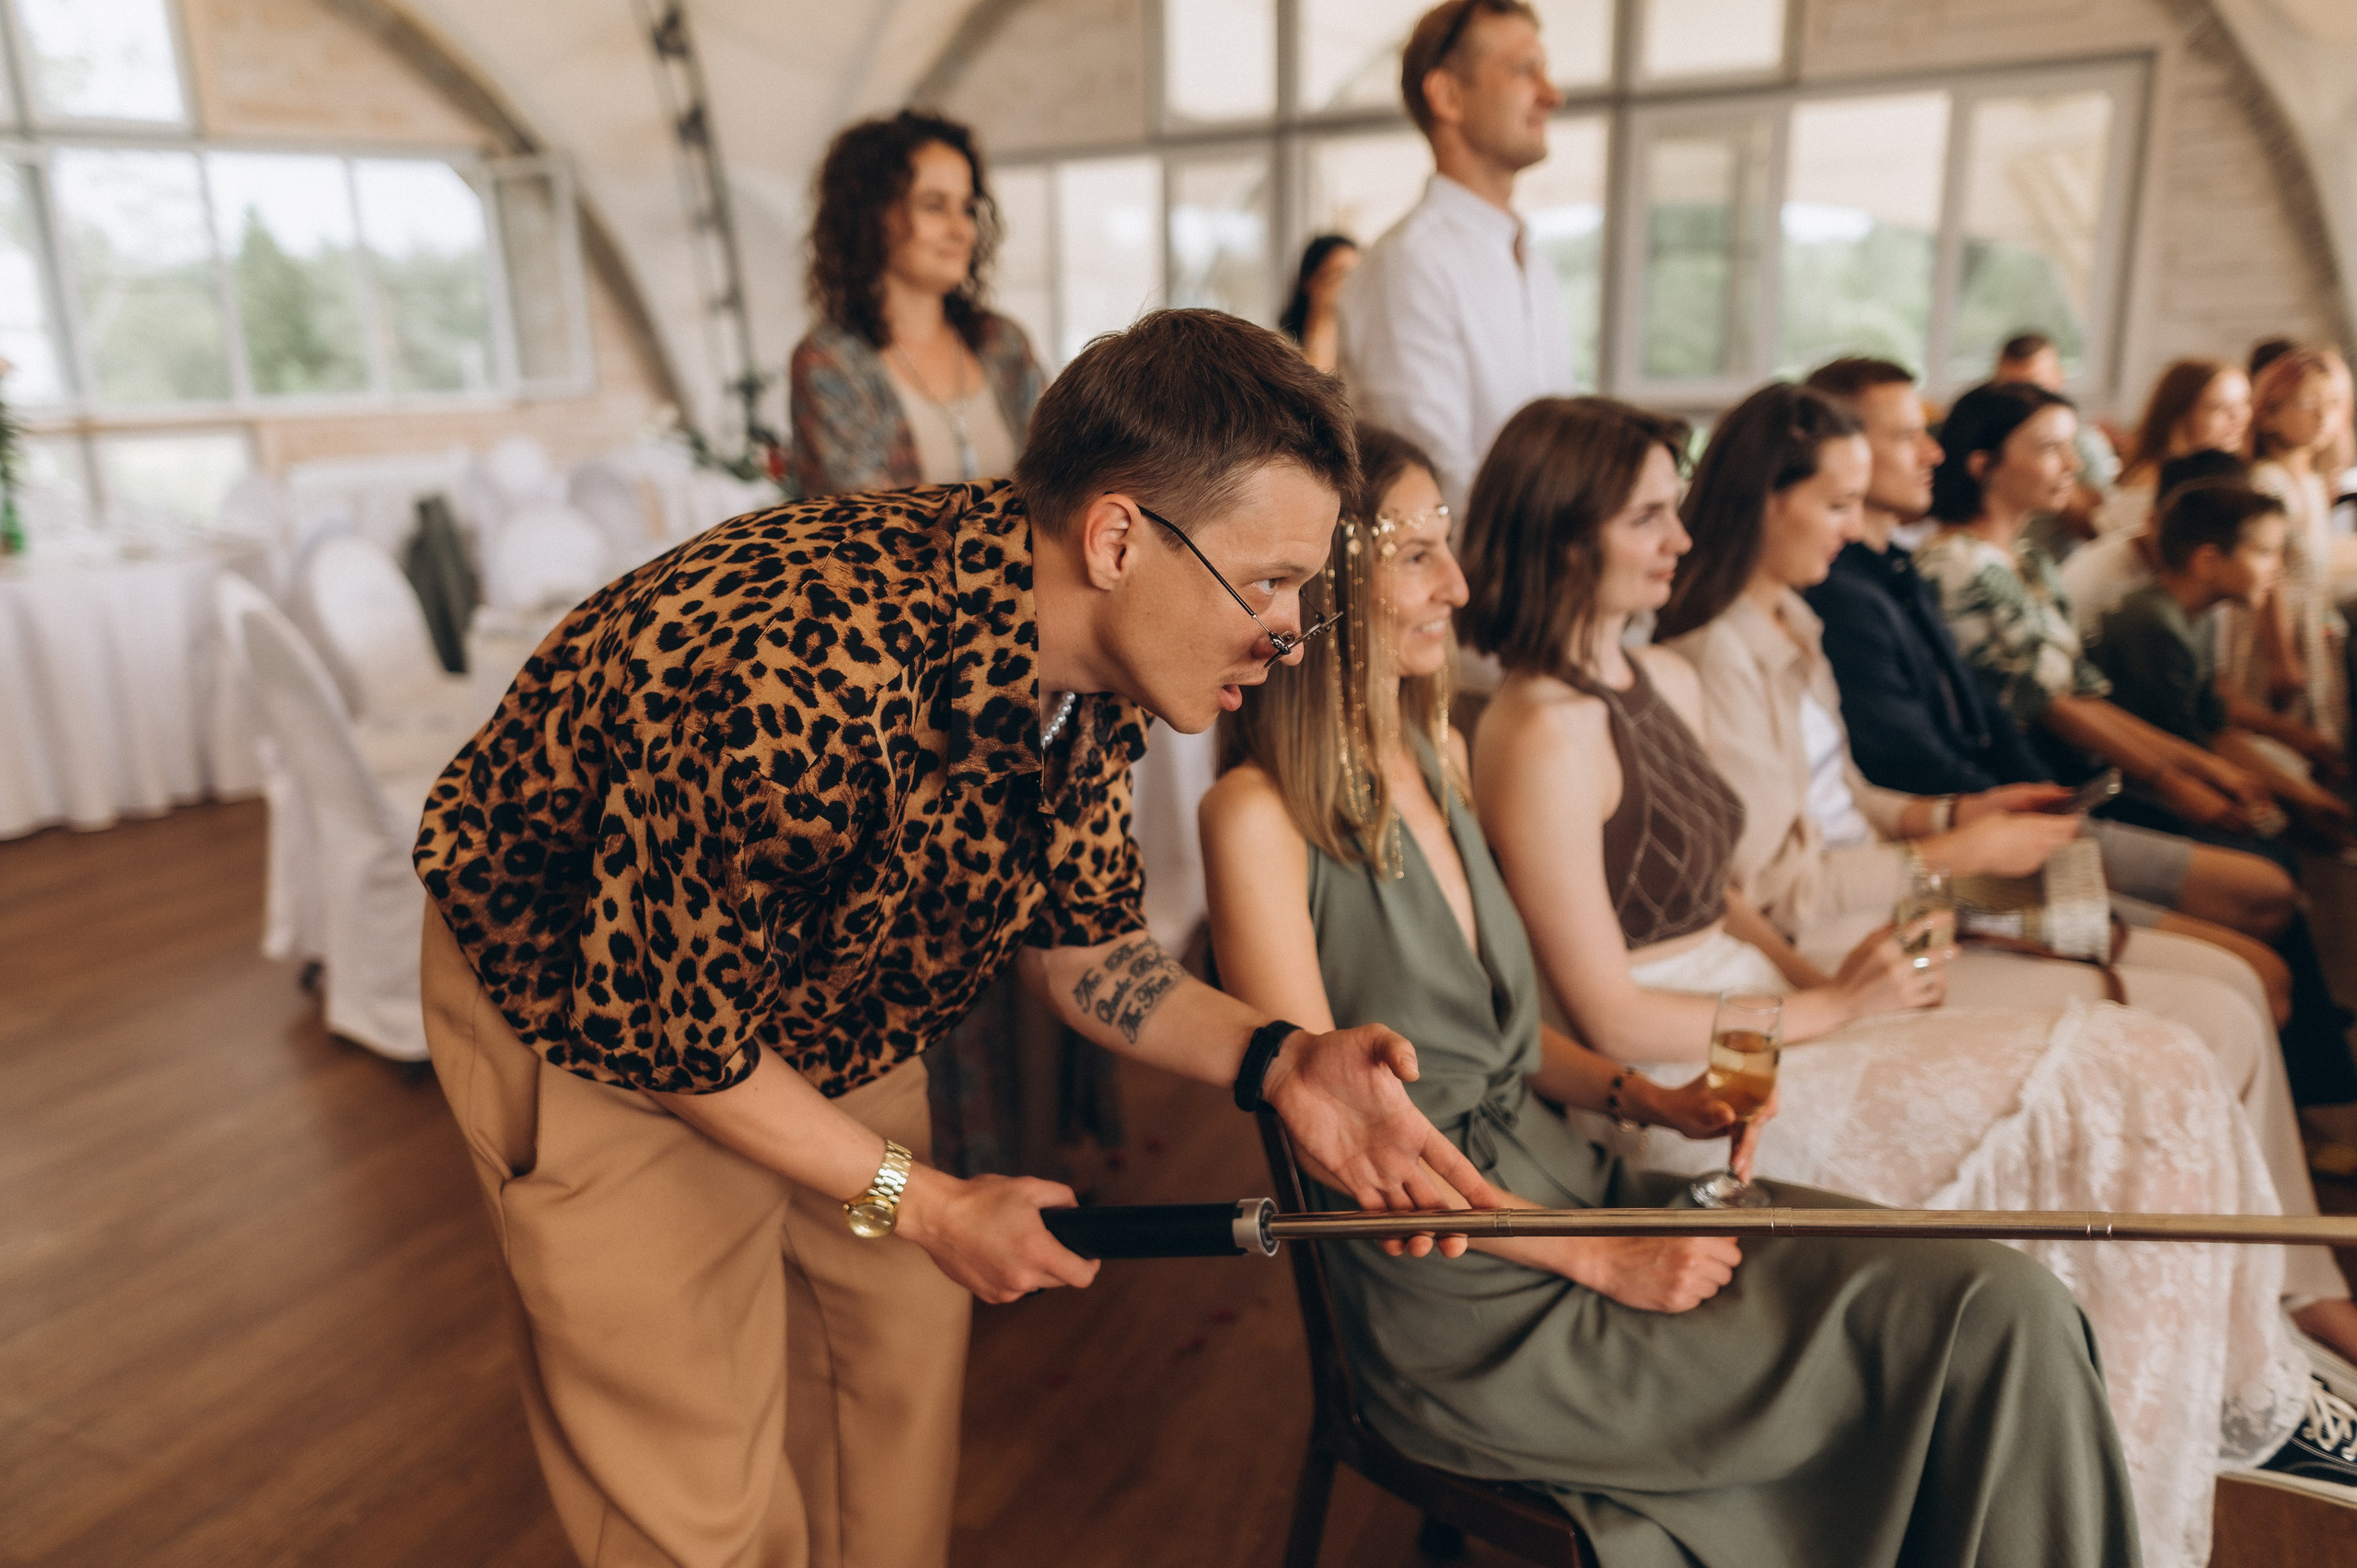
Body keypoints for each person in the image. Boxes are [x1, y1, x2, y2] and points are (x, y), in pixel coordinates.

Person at [413, 310, 1504, 1568]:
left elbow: (1090, 951)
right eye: (1265, 583)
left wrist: (1280, 1059)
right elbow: (681, 1042)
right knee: (691, 1497)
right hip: (605, 1009)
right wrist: (922, 1201)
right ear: (1115, 536)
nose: (1289, 630)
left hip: (838, 995)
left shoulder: (1091, 659)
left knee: (887, 1407)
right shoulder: (799, 672)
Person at [1199, 424, 2142, 1568]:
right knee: (1970, 1331)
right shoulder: (1253, 818)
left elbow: (1502, 1038)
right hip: (1467, 1301)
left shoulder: (1436, 748)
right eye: (1416, 555)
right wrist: (1597, 1255)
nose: (1456, 581)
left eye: (1449, 545)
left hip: (1579, 1186)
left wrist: (1655, 1099)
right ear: (1327, 576)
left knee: (2013, 1303)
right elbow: (1331, 1158)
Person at [1457, 394, 2312, 1566]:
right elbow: (1604, 1007)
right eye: (1649, 516)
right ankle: (2136, 1498)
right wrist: (1830, 1008)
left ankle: (2109, 1466)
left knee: (2154, 1066)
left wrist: (1830, 977)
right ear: (1563, 533)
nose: (1682, 539)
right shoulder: (1537, 726)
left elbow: (1725, 890)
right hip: (1688, 1072)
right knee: (2135, 1077)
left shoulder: (1643, 677)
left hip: (1764, 1000)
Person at [1653, 379, 2357, 1308]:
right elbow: (1781, 888)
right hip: (1845, 929)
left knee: (2231, 986)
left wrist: (1954, 816)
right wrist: (1964, 848)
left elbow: (1854, 794)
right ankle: (2262, 1296)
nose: (1849, 524)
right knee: (2221, 1006)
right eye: (1833, 502)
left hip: (1899, 889)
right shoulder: (1719, 652)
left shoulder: (1793, 615)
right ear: (1763, 501)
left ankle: (2276, 1287)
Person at [1800, 358, 2298, 954]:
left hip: (2016, 797)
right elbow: (1943, 744)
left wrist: (2184, 771)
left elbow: (2022, 705)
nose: (1931, 454)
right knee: (2254, 920)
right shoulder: (1929, 570)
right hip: (1984, 818)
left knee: (2265, 888)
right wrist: (2166, 778)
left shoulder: (1919, 569)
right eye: (1908, 436)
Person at [1337, 0, 1573, 517]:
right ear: (1447, 95)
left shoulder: (1538, 268)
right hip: (1469, 588)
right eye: (1523, 70)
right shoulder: (1409, 262)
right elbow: (1432, 489)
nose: (1552, 95)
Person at [789, 110, 1043, 497]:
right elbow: (862, 525)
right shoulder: (829, 361)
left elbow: (1065, 481)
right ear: (873, 217)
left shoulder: (1003, 342)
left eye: (967, 208)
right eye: (933, 205)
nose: (961, 230)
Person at [2092, 482, 2351, 847]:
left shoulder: (2198, 617)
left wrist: (2304, 794)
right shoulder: (2154, 624)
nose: (2276, 569)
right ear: (2208, 560)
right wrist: (2294, 799)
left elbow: (2214, 725)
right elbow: (2183, 745)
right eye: (2264, 552)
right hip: (2136, 792)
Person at [2232, 346, 2351, 747]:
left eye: (2333, 405)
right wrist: (2282, 656)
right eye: (2307, 404)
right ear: (2268, 414)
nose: (2324, 416)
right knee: (2286, 730)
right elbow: (2271, 574)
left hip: (2311, 620)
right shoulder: (2268, 480)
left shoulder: (2314, 482)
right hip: (2279, 627)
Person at [2093, 358, 2253, 540]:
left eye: (2245, 403)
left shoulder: (2222, 474)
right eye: (2219, 407)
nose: (2238, 418)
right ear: (2180, 415)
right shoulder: (2150, 482)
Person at [1996, 330, 2116, 553]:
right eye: (2011, 389)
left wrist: (2055, 474)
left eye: (2034, 388)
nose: (2022, 402)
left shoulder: (2086, 445)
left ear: (2058, 379)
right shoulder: (1983, 440)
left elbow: (2097, 531)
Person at [1277, 234, 1358, 374]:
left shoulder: (1358, 346)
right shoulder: (1282, 346)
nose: (1351, 286)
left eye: (1356, 276)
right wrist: (1324, 313)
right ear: (1309, 281)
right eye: (1340, 275)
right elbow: (1317, 391)